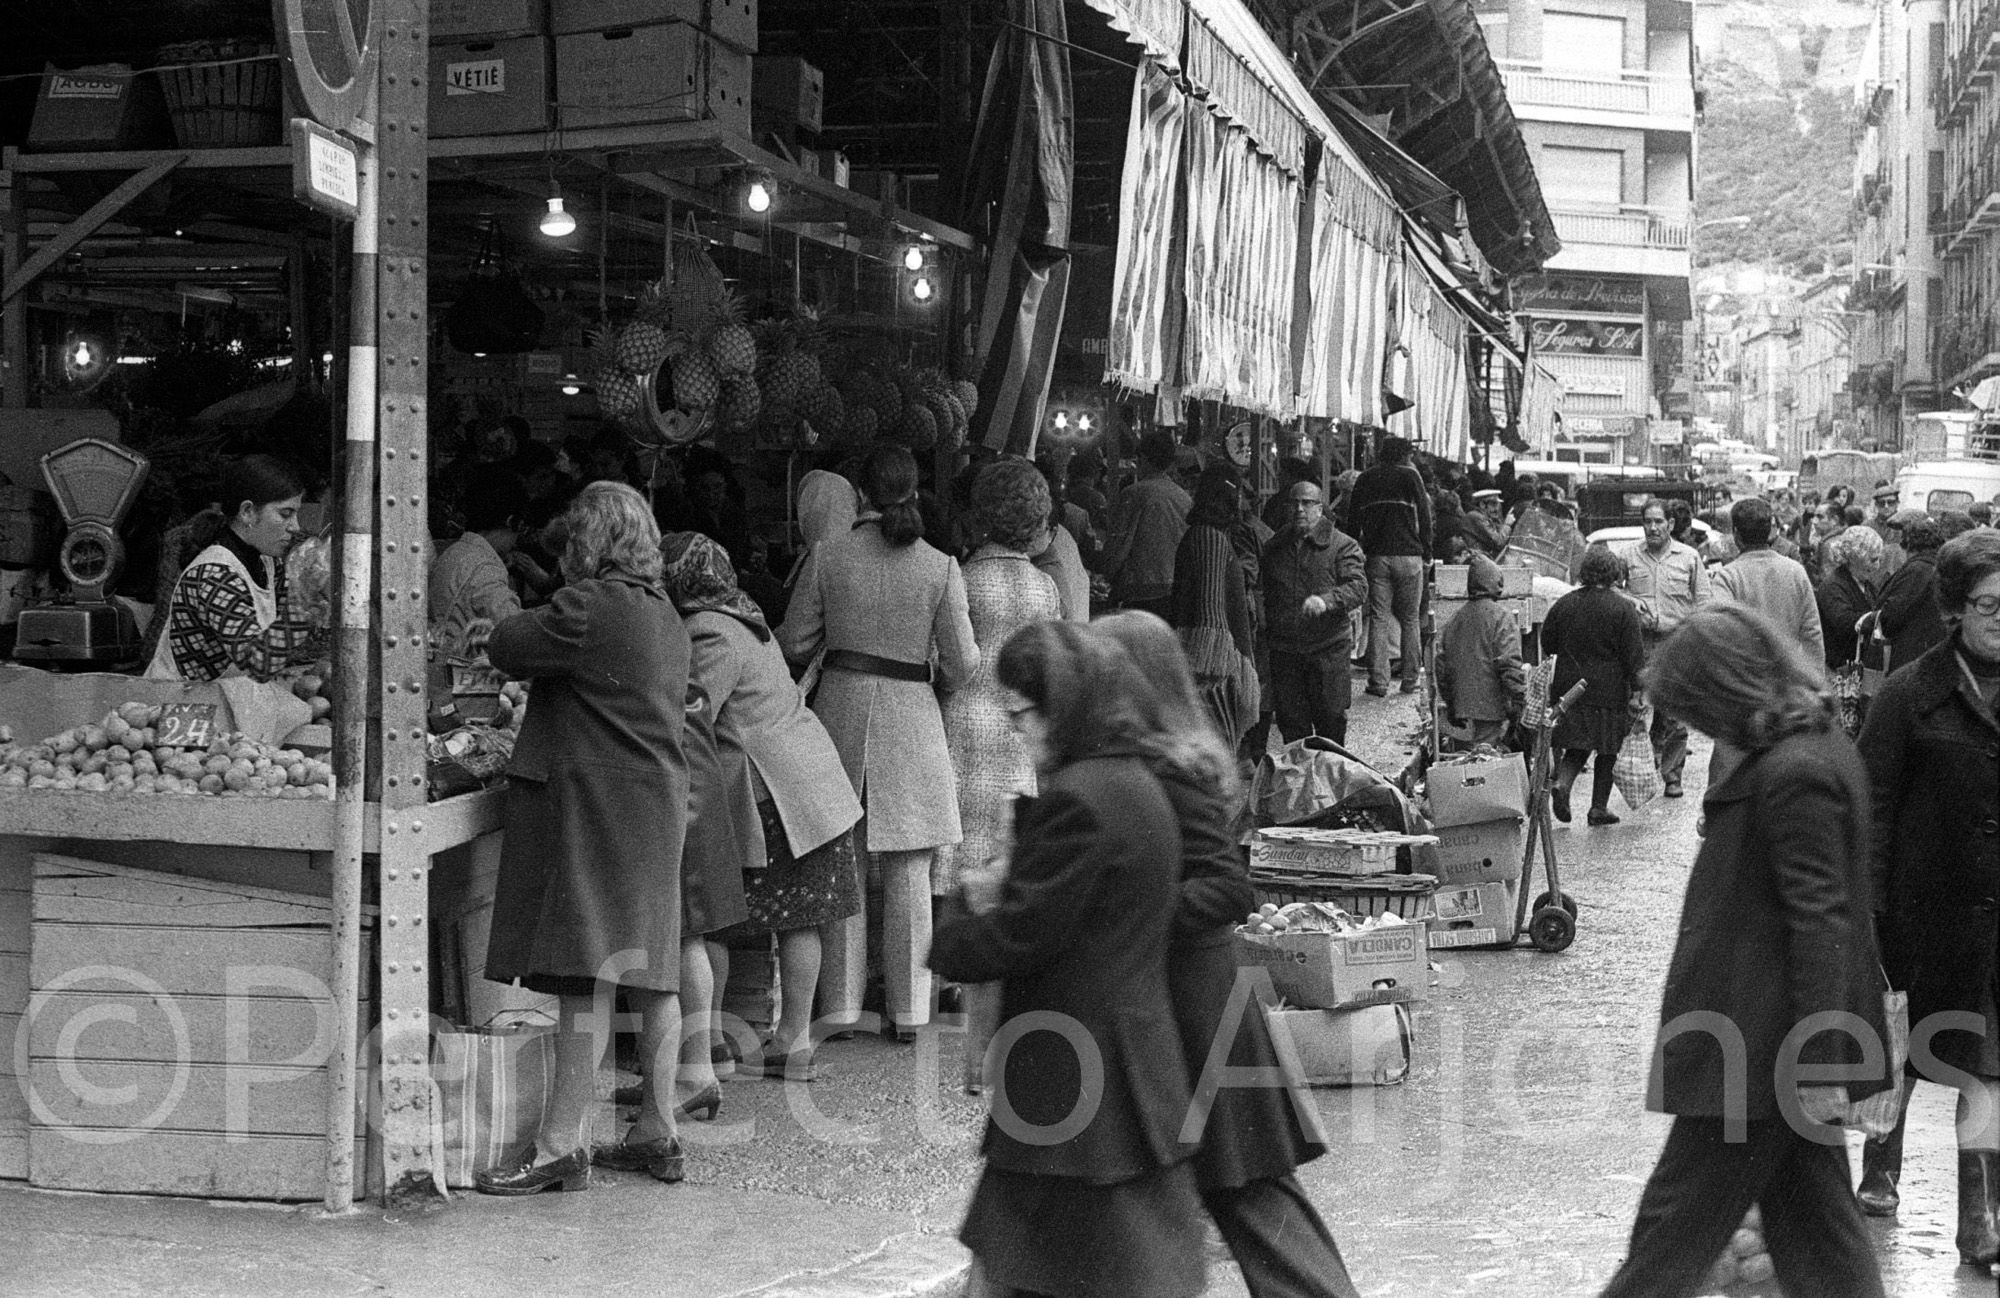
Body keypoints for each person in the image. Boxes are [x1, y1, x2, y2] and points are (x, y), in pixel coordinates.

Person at [1596, 603, 1891, 1298]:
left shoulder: (1793, 770)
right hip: (1766, 1046)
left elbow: (1822, 921)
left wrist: (1819, 1060)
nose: (1697, 727)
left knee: (1672, 1236)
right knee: (1822, 1242)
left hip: (1759, 1050)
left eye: (1696, 709)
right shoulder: (1808, 751)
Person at [929, 620, 1207, 1298]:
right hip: (1124, 1073)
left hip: (1071, 1083)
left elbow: (1019, 935)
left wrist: (965, 908)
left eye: (1023, 717)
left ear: (1063, 706)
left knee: (1033, 1268)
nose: (1017, 734)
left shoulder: (1078, 799)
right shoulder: (1138, 784)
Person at [1095, 611, 1359, 1298]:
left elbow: (1227, 890)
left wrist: (1128, 913)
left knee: (1249, 1190)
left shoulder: (1170, 771)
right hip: (1182, 1005)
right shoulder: (1154, 761)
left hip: (1200, 1006)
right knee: (1224, 1190)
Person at [478, 481, 691, 1193]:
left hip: (601, 807)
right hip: (652, 804)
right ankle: (658, 1134)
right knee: (649, 974)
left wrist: (513, 594)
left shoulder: (591, 607)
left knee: (583, 975)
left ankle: (557, 1146)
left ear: (590, 542)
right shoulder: (665, 612)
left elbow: (509, 644)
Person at [779, 444, 979, 1041]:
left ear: (859, 495)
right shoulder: (941, 566)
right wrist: (933, 665)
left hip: (840, 708)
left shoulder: (828, 556)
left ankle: (840, 1008)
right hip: (912, 715)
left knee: (844, 860)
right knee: (911, 868)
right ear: (914, 492)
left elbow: (792, 642)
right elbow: (966, 664)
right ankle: (912, 1010)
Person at [660, 531, 863, 1087]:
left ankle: (714, 1047)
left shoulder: (708, 632)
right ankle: (789, 1044)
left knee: (719, 923)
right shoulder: (744, 616)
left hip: (773, 792)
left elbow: (690, 715)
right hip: (808, 781)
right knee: (799, 919)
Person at [1855, 529, 2000, 1263]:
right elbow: (1871, 806)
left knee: (1989, 1067)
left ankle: (1980, 1215)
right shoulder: (1911, 692)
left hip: (1996, 918)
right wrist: (1871, 910)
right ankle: (1879, 1170)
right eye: (1987, 604)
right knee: (1905, 1049)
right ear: (1954, 609)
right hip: (1922, 911)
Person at [936, 460, 1063, 1082]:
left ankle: (951, 973)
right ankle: (985, 974)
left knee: (957, 848)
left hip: (964, 720)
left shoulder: (960, 578)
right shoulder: (1046, 588)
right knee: (1001, 852)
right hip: (1017, 728)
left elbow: (946, 658)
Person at [147, 455, 319, 682]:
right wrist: (305, 607)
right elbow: (258, 663)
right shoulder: (214, 575)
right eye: (285, 514)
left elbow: (291, 619)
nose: (294, 527)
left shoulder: (268, 563)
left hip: (225, 699)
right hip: (179, 706)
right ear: (247, 511)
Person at [1540, 548, 1646, 826]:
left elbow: (1548, 643)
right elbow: (1633, 655)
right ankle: (1598, 807)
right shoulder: (1623, 608)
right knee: (1607, 748)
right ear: (1614, 575)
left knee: (1578, 743)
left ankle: (1563, 782)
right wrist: (1638, 689)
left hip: (1570, 689)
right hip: (1609, 690)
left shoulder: (1564, 604)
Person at [1615, 498, 1710, 798]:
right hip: (1640, 643)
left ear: (1670, 524)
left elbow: (1704, 601)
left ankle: (1672, 775)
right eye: (1647, 522)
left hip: (1676, 644)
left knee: (1675, 714)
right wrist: (1631, 600)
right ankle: (1641, 770)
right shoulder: (1628, 556)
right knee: (1637, 709)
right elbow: (1612, 588)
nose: (1652, 527)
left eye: (1658, 522)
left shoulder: (1689, 558)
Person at [1260, 480, 1368, 745]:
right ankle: (1300, 783)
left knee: (1330, 720)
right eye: (1294, 503)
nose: (1299, 509)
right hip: (1285, 650)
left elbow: (1358, 587)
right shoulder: (1276, 546)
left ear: (1319, 508)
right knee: (1291, 723)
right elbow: (1264, 588)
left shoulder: (1342, 545)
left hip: (1328, 649)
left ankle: (1330, 781)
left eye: (1307, 503)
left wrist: (1327, 600)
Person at [1171, 466, 1260, 744]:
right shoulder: (1210, 537)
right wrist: (1226, 675)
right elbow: (1210, 615)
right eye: (1241, 493)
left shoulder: (1206, 535)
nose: (1245, 502)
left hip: (1210, 665)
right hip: (1214, 673)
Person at [1346, 437, 1432, 695]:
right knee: (1410, 619)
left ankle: (1379, 682)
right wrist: (1427, 550)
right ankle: (1410, 681)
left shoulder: (1365, 478)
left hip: (1376, 557)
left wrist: (1352, 551)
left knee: (1379, 618)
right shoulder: (1410, 476)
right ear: (1405, 455)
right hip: (1409, 557)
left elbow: (1352, 519)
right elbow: (1424, 517)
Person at [1713, 497, 1825, 666]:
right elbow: (1812, 635)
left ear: (1736, 533)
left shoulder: (1727, 577)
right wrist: (1814, 683)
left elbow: (1720, 635)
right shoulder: (1796, 571)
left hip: (1746, 679)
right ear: (1769, 530)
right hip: (1789, 676)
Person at [428, 462, 527, 652]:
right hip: (466, 669)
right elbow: (513, 628)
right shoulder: (485, 568)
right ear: (512, 522)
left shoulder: (453, 553)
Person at [1435, 554, 1527, 749]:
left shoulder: (1455, 619)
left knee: (1464, 761)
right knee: (1485, 762)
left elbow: (1441, 666)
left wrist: (1451, 704)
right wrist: (1518, 702)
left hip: (1460, 710)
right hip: (1490, 708)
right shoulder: (1501, 617)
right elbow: (1509, 663)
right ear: (1498, 583)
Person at [1101, 431, 1192, 619]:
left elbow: (1119, 547)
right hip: (1177, 592)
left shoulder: (1134, 494)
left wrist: (1106, 573)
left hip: (1141, 593)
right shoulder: (1184, 498)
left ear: (1142, 459)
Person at [1815, 525, 1886, 734]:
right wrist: (1877, 617)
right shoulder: (1834, 586)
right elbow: (1843, 621)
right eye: (1873, 560)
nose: (1878, 565)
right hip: (1840, 673)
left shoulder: (1865, 584)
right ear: (1854, 558)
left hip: (1856, 672)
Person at [1867, 512, 1947, 674]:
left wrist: (1869, 620)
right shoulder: (1934, 566)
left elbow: (1892, 616)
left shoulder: (1917, 570)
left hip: (1909, 658)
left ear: (1909, 541)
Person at [1460, 488, 1508, 559]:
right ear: (1482, 504)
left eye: (1497, 505)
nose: (1496, 509)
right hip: (1477, 560)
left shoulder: (1487, 517)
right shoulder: (1476, 517)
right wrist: (1507, 525)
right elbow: (1499, 542)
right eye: (1493, 504)